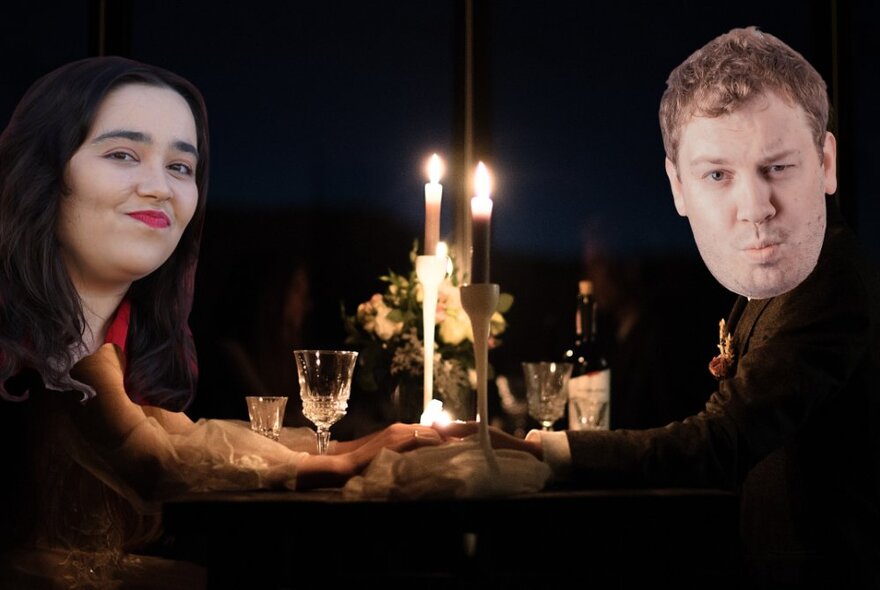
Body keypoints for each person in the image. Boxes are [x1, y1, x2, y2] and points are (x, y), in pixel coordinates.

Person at [439, 27, 880, 587]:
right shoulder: (779, 276)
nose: (755, 208)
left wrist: (545, 449)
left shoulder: (828, 279)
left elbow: (722, 441)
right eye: (718, 174)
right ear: (677, 187)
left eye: (778, 167)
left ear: (826, 163)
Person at [0, 56, 441, 589]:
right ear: (45, 172)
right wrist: (334, 463)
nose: (159, 187)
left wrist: (347, 446)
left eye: (180, 167)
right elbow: (157, 464)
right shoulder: (39, 340)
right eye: (122, 154)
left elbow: (190, 438)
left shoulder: (114, 333)